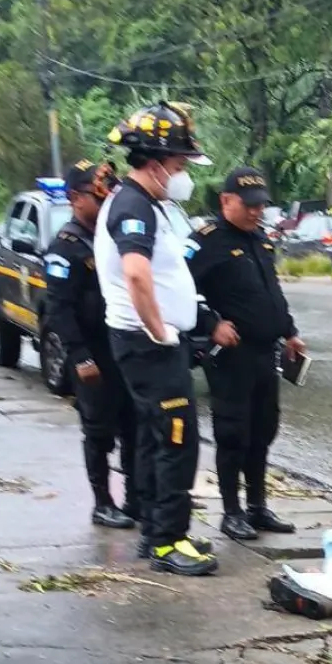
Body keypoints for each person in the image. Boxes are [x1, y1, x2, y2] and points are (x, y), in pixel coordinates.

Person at [98, 101, 221, 577]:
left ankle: (156, 530)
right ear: (155, 164)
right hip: (149, 346)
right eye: (179, 165)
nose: (183, 173)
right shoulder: (133, 206)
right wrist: (160, 331)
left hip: (148, 344)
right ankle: (170, 541)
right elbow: (137, 276)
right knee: (176, 439)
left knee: (155, 438)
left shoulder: (148, 204)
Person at [186, 167, 305, 541]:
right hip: (230, 355)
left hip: (264, 353)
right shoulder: (205, 241)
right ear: (225, 201)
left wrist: (289, 331)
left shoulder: (260, 240)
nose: (256, 212)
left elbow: (271, 292)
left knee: (262, 431)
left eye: (260, 205)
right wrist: (210, 324)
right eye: (248, 205)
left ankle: (257, 506)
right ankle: (232, 511)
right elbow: (179, 291)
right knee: (233, 434)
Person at [43, 159, 137, 529]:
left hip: (123, 347)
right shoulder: (65, 246)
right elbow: (59, 308)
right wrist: (79, 356)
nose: (104, 206)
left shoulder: (111, 239)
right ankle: (102, 501)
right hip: (92, 354)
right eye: (97, 199)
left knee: (134, 424)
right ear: (75, 199)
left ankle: (135, 498)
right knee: (98, 430)